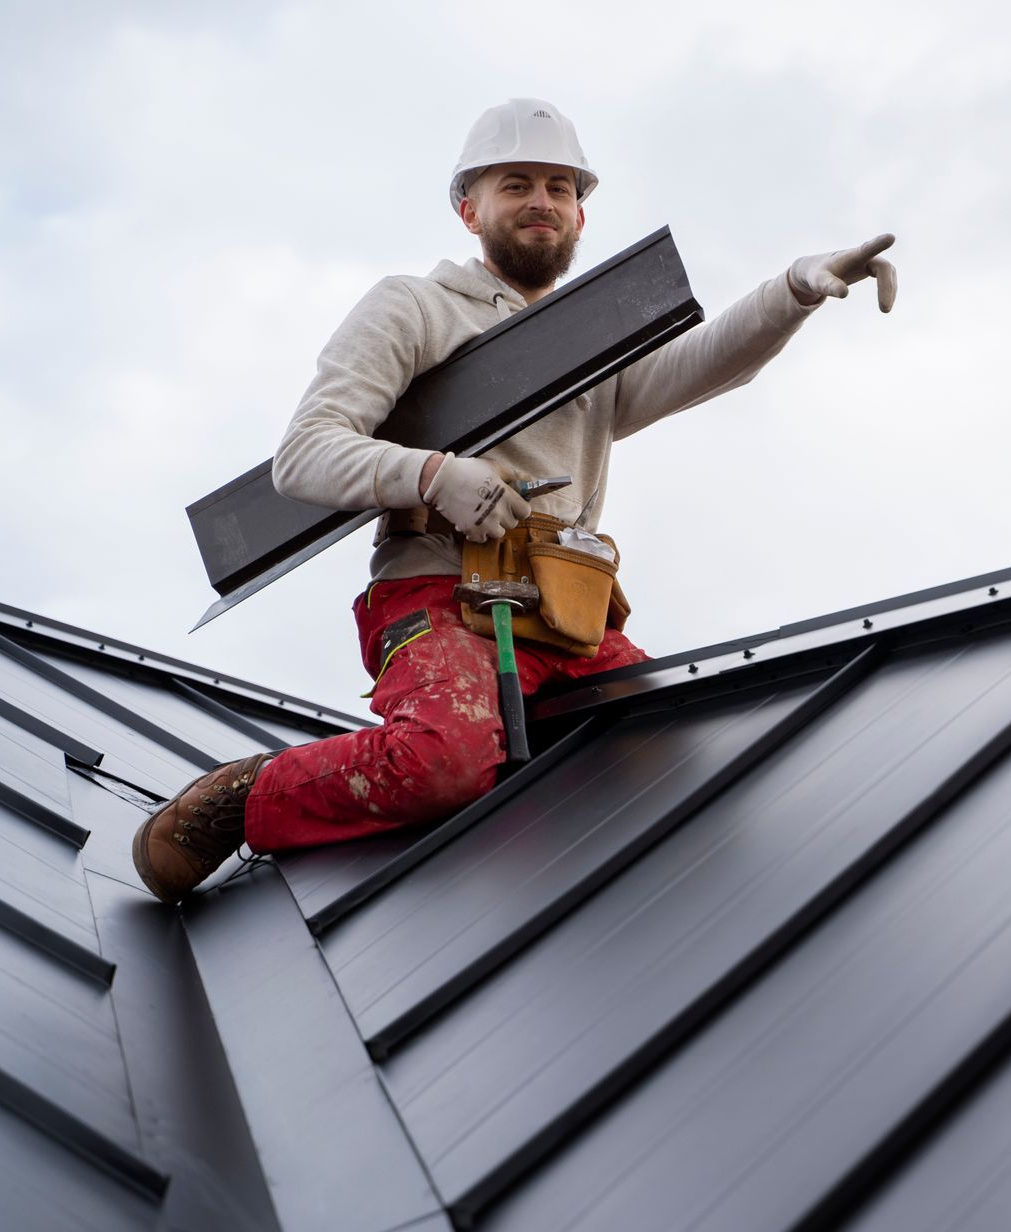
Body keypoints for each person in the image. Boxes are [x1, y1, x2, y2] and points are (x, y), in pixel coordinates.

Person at [132, 97, 896, 903]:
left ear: (579, 217)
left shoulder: (592, 337)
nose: (543, 202)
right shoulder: (415, 307)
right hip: (439, 597)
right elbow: (305, 454)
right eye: (517, 184)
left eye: (561, 188)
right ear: (470, 209)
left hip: (564, 612)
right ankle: (248, 796)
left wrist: (795, 291)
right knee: (442, 761)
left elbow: (702, 362)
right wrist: (434, 477)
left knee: (669, 746)